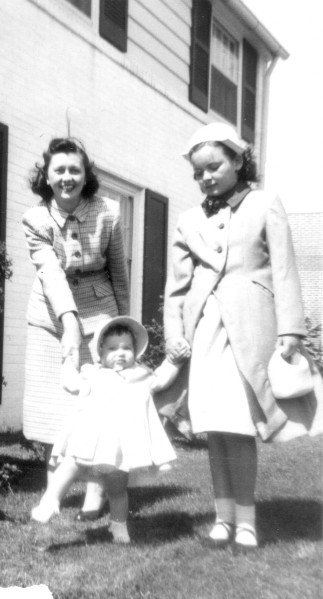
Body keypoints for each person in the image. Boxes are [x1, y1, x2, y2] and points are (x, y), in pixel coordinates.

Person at [163, 121, 321, 550]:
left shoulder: (265, 203)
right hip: (205, 332)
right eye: (197, 172)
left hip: (250, 330)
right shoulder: (189, 220)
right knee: (215, 428)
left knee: (239, 426)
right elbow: (177, 286)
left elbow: (285, 270)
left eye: (213, 166)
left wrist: (291, 328)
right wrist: (174, 332)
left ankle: (247, 521)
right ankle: (222, 518)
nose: (205, 177)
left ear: (237, 160)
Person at [22, 137, 130, 520]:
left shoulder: (109, 212)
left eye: (74, 170)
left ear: (86, 176)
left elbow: (118, 270)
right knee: (54, 410)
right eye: (59, 170)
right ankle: (52, 495)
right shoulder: (35, 219)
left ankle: (95, 496)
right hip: (50, 317)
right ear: (47, 176)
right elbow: (50, 274)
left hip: (100, 314)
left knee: (97, 408)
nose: (67, 177)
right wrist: (68, 321)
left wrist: (123, 326)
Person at [30, 316, 180, 544]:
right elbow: (70, 383)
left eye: (126, 348)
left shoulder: (141, 375)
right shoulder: (92, 373)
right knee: (69, 465)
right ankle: (50, 501)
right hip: (89, 441)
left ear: (135, 351)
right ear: (100, 351)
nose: (120, 353)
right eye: (112, 348)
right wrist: (68, 360)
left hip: (119, 448)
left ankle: (118, 525)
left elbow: (161, 380)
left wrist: (173, 361)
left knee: (117, 488)